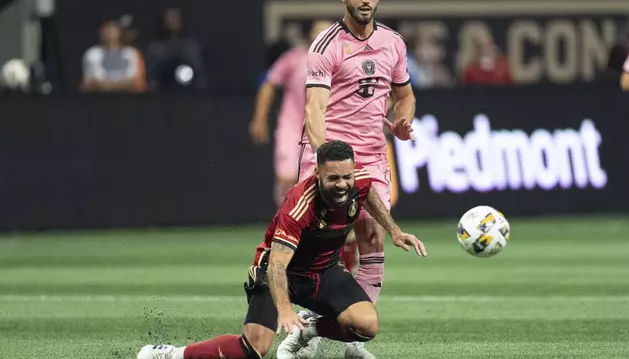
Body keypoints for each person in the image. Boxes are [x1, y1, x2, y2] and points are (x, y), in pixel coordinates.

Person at [135, 140, 427, 359]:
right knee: (254, 349)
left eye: (346, 177)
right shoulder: (300, 205)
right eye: (333, 179)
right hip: (279, 272)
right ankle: (170, 354)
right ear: (317, 174)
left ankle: (310, 329)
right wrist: (286, 311)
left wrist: (394, 231)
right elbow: (276, 265)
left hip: (323, 271)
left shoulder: (359, 180)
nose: (342, 185)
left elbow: (369, 194)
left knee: (367, 326)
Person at [279, 0, 417, 358]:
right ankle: (307, 328)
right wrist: (328, 164)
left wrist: (404, 121)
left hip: (372, 156)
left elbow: (405, 95)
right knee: (321, 245)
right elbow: (314, 110)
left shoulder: (393, 42)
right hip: (331, 157)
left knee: (372, 237)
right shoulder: (326, 46)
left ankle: (350, 338)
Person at [249, 20, 334, 209]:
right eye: (319, 32)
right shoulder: (294, 59)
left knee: (325, 180)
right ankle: (286, 225)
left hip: (326, 128)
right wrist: (260, 118)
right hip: (292, 126)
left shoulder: (342, 61)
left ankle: (321, 227)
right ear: (310, 36)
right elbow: (269, 84)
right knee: (286, 178)